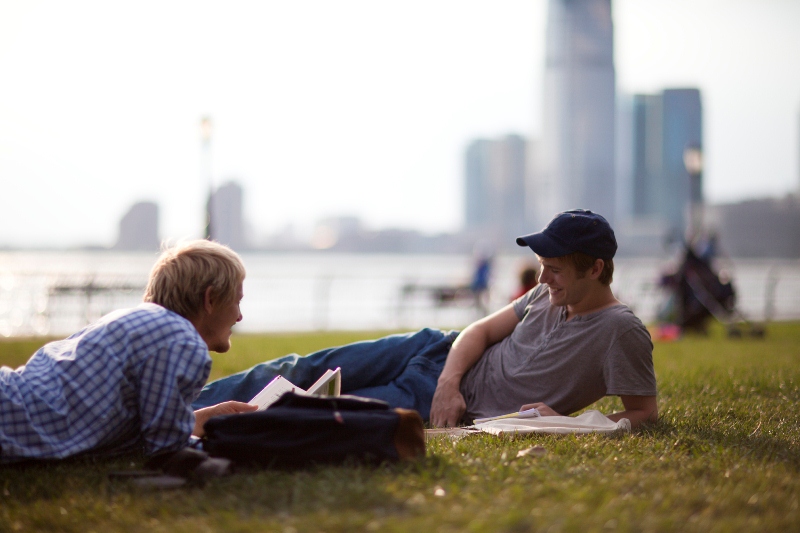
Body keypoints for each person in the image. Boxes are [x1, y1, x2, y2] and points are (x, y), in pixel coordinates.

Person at [195, 210, 658, 429]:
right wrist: (448, 382)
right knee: (296, 370)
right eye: (542, 264)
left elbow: (644, 414)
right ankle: (181, 407)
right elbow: (479, 331)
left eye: (554, 268)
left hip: (442, 403)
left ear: (595, 269)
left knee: (314, 407)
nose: (542, 277)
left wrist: (567, 423)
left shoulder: (621, 331)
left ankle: (184, 428)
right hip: (434, 353)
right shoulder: (543, 294)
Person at [0, 240, 256, 463]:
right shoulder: (182, 341)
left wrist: (204, 418)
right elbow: (167, 449)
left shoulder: (138, 323)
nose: (240, 316)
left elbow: (135, 427)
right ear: (210, 300)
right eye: (237, 301)